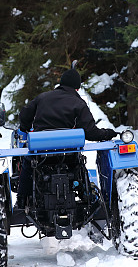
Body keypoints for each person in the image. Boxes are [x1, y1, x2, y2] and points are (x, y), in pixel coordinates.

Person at [14, 67, 117, 210]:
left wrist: (25, 128)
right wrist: (108, 133)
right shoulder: (79, 103)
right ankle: (87, 195)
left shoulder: (42, 97)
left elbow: (24, 115)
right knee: (79, 165)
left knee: (27, 164)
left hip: (40, 153)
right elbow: (91, 133)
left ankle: (21, 199)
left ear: (61, 83)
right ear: (77, 88)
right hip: (68, 154)